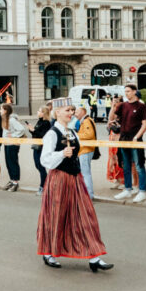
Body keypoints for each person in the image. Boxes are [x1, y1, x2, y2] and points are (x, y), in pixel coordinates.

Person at [37, 99, 113, 272]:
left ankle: (94, 256)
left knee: (85, 216)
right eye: (67, 110)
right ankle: (49, 253)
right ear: (57, 112)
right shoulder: (52, 134)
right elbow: (45, 160)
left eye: (72, 110)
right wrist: (61, 154)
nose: (71, 113)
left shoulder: (72, 132)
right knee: (56, 216)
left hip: (75, 179)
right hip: (59, 179)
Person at [112, 84, 146, 203]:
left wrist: (137, 137)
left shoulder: (141, 106)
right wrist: (113, 105)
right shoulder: (123, 105)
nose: (126, 93)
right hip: (124, 139)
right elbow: (113, 118)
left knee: (139, 165)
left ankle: (142, 191)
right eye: (125, 91)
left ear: (134, 92)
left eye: (128, 91)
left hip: (135, 140)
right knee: (126, 165)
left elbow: (145, 124)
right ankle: (128, 189)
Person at [0, 104, 26, 192]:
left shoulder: (12, 120)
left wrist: (13, 135)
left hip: (13, 144)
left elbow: (21, 129)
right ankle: (11, 180)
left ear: (5, 111)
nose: (0, 111)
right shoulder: (5, 119)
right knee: (8, 163)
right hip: (7, 143)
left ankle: (15, 182)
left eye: (1, 109)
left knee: (13, 162)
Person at [75, 105, 97, 199]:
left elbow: (89, 135)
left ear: (82, 112)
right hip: (85, 150)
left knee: (85, 173)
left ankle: (89, 195)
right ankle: (87, 193)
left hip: (85, 150)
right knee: (85, 172)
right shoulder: (86, 120)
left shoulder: (86, 121)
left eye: (77, 112)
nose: (75, 114)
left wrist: (76, 135)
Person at [30, 106, 52, 195]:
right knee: (37, 165)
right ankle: (45, 185)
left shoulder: (46, 123)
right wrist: (31, 130)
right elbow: (36, 133)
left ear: (44, 113)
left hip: (42, 147)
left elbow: (43, 135)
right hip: (36, 146)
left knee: (41, 166)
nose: (37, 112)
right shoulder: (39, 121)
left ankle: (43, 186)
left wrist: (34, 130)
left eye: (39, 111)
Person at [106, 105, 125, 190]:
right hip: (112, 141)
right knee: (113, 161)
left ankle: (123, 181)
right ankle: (116, 179)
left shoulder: (124, 115)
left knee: (120, 161)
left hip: (119, 141)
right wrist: (113, 107)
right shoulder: (114, 115)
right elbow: (110, 120)